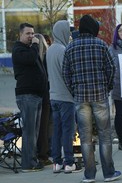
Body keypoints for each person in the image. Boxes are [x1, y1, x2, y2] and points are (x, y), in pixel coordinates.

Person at [62, 14, 121, 183]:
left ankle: (89, 175)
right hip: (99, 95)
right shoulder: (101, 45)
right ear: (93, 28)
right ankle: (108, 173)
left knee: (85, 137)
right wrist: (107, 88)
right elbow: (111, 70)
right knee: (105, 135)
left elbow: (66, 74)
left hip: (81, 97)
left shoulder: (70, 48)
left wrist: (74, 91)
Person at [46, 20, 81, 173]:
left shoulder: (50, 49)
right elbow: (67, 73)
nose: (69, 34)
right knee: (68, 131)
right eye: (68, 31)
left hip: (53, 96)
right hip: (66, 97)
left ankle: (57, 163)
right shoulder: (63, 50)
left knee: (57, 130)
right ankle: (69, 162)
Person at [12, 23, 47, 172]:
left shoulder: (28, 49)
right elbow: (31, 59)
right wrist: (34, 46)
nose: (31, 36)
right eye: (28, 33)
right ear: (20, 35)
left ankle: (32, 160)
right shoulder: (19, 49)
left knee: (35, 132)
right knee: (29, 132)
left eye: (33, 33)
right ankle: (27, 164)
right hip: (27, 96)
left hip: (36, 95)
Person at [34, 33, 52, 166]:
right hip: (47, 94)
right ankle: (44, 154)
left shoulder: (34, 57)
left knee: (37, 126)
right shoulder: (46, 57)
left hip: (36, 94)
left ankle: (39, 152)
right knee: (46, 126)